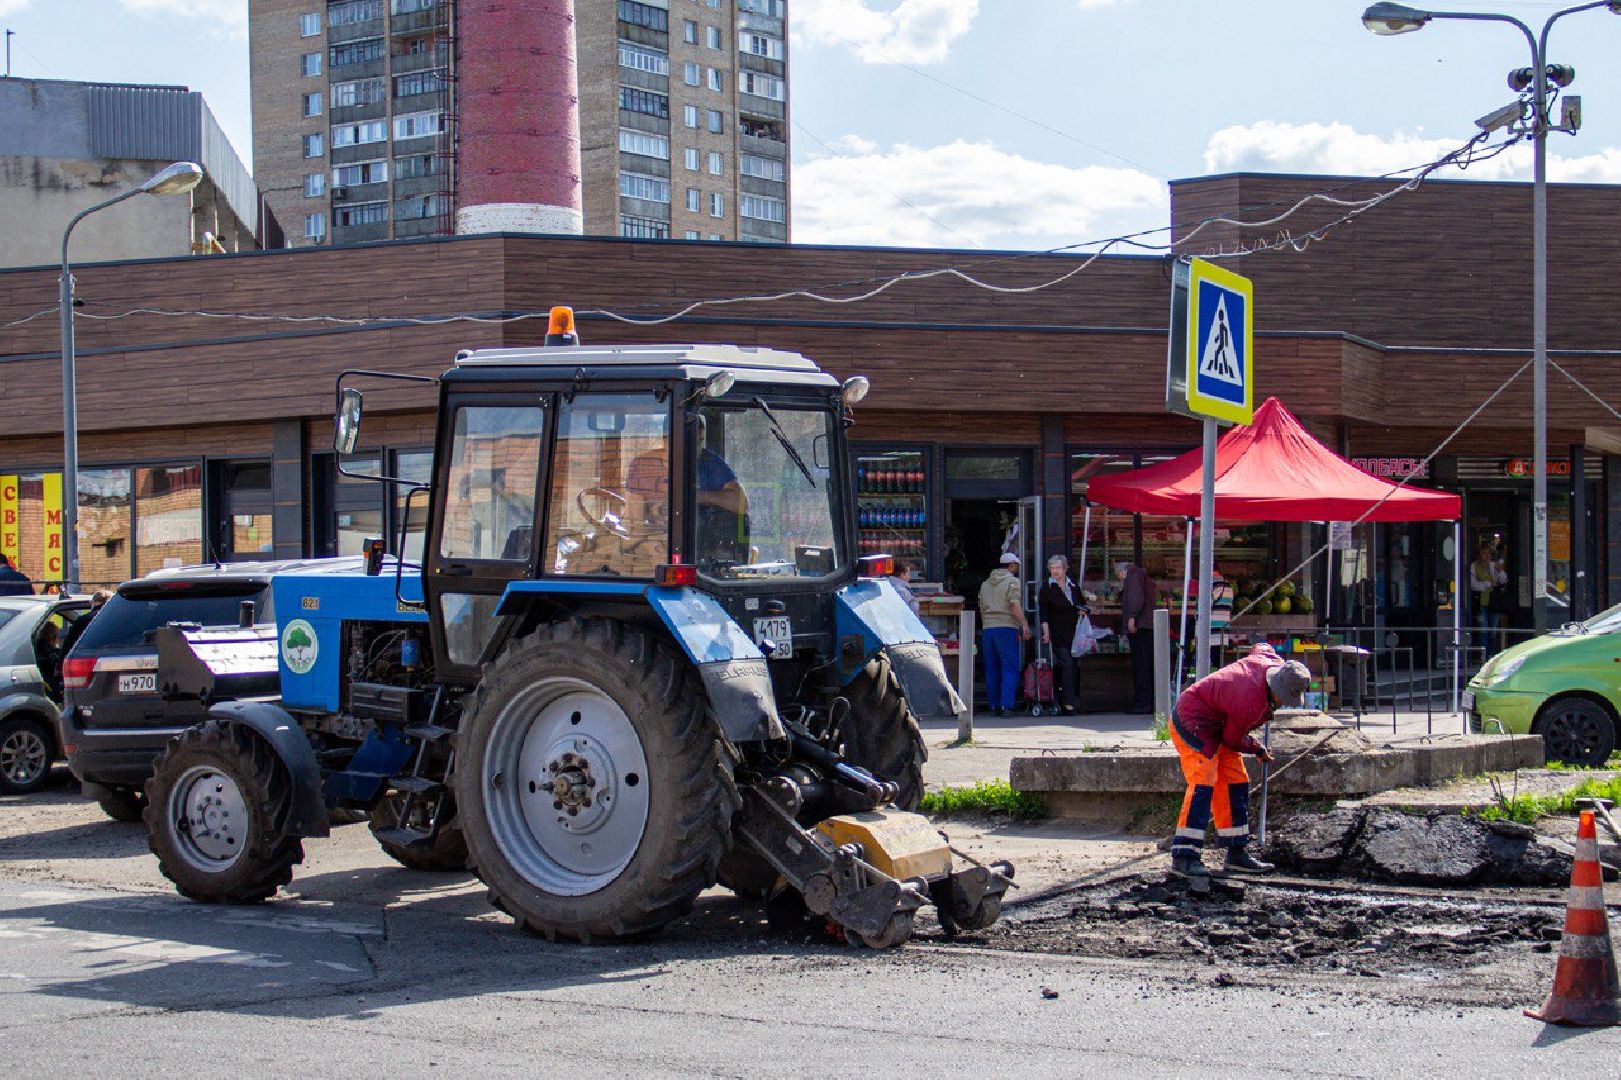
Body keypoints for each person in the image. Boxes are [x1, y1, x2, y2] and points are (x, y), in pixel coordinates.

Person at [1169, 644, 1311, 878]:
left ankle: (1236, 852)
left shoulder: (1271, 661)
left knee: (1236, 780)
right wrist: (1256, 748)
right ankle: (1184, 856)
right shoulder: (1251, 702)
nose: (1284, 703)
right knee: (1203, 783)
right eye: (1284, 698)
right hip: (1192, 721)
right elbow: (1233, 739)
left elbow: (1261, 648)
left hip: (1219, 722)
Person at [978, 551, 1031, 717]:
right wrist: (1024, 624)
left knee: (992, 668)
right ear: (1012, 565)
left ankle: (994, 705)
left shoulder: (985, 584)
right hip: (1006, 627)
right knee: (1010, 667)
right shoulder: (1012, 582)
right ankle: (1006, 705)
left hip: (988, 629)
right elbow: (1014, 604)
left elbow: (981, 606)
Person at [1039, 554, 1085, 715]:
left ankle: (1067, 698)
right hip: (1057, 632)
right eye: (1052, 568)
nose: (1055, 571)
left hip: (1074, 632)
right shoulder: (1047, 587)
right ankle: (1069, 703)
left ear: (1065, 569)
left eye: (1058, 568)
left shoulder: (1073, 586)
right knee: (1066, 663)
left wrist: (1083, 611)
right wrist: (1046, 632)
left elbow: (1081, 604)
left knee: (1073, 665)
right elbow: (1043, 613)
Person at [1116, 559, 1157, 713]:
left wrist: (1131, 617)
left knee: (1141, 666)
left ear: (1122, 572)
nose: (1120, 579)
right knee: (1147, 665)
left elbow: (1135, 597)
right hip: (1147, 626)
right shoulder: (1143, 577)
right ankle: (1149, 702)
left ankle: (1142, 703)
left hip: (1140, 627)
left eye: (1119, 576)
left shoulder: (1132, 575)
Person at [1469, 542, 1507, 650]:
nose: (1486, 556)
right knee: (1483, 630)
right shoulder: (1473, 567)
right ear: (1479, 555)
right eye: (1484, 553)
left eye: (1488, 553)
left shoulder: (1493, 566)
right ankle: (1483, 655)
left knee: (1493, 630)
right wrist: (1489, 584)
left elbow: (1503, 580)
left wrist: (1501, 571)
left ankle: (1491, 654)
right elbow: (1473, 585)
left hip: (1494, 604)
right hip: (1482, 603)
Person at [61, 588, 114, 659]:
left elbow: (69, 646)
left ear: (93, 602)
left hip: (86, 660)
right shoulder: (118, 620)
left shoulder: (83, 620)